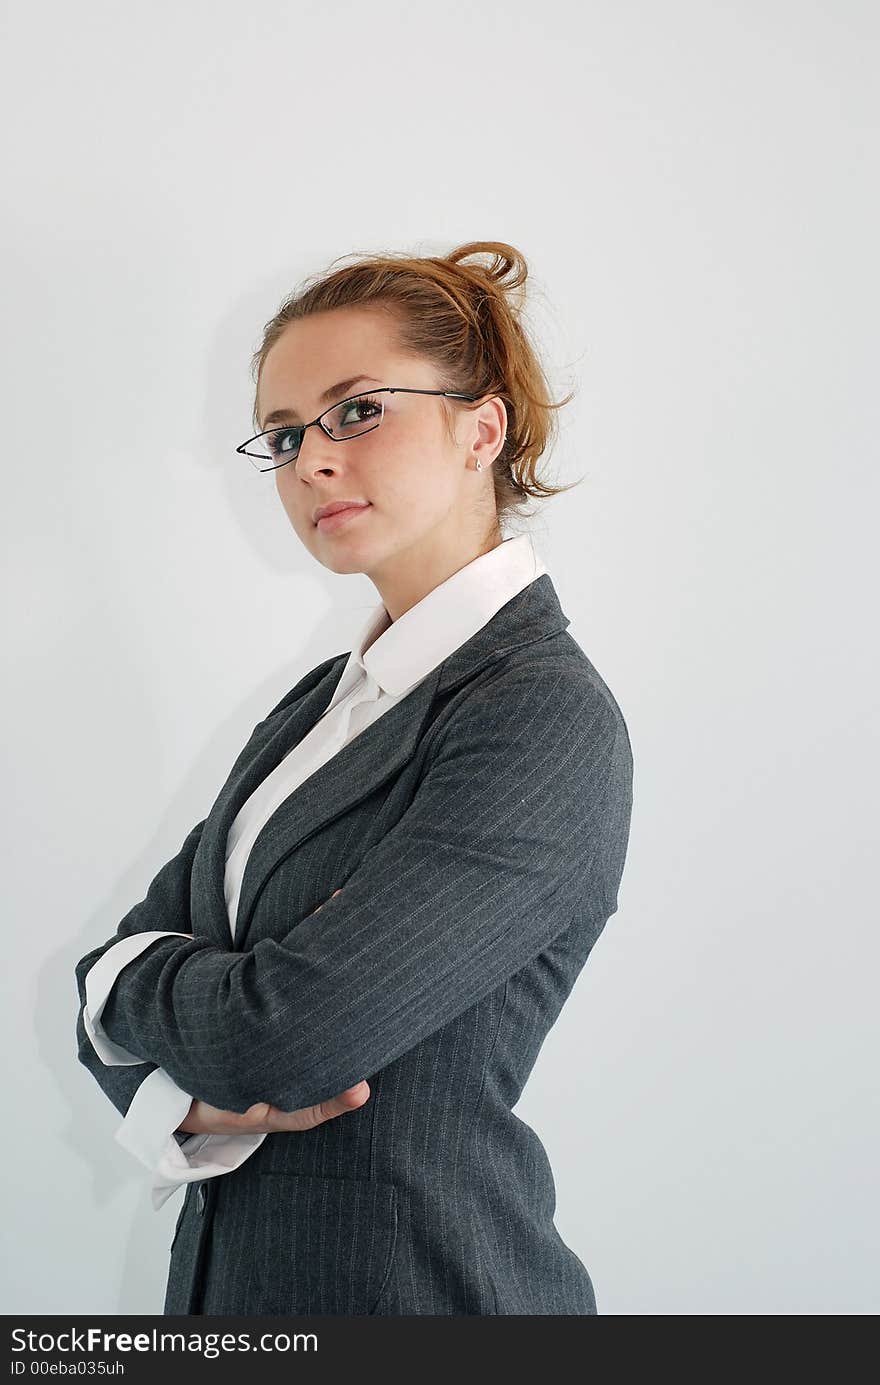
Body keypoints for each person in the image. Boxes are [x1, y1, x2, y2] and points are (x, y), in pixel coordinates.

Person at [74, 240, 634, 1316]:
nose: (310, 461)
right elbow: (131, 973)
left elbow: (284, 1037)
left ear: (483, 427)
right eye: (284, 435)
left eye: (356, 411)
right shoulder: (326, 703)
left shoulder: (538, 712)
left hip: (422, 1293)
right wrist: (136, 999)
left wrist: (129, 985)